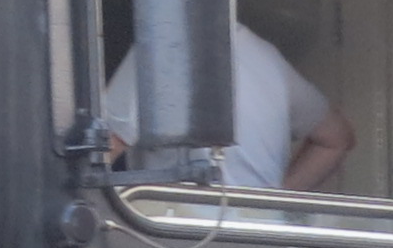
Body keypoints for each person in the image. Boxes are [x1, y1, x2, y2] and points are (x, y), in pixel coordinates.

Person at [100, 21, 354, 192]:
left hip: (182, 238)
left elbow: (103, 149)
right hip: (258, 238)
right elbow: (336, 138)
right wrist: (273, 202)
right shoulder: (266, 56)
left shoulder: (162, 48)